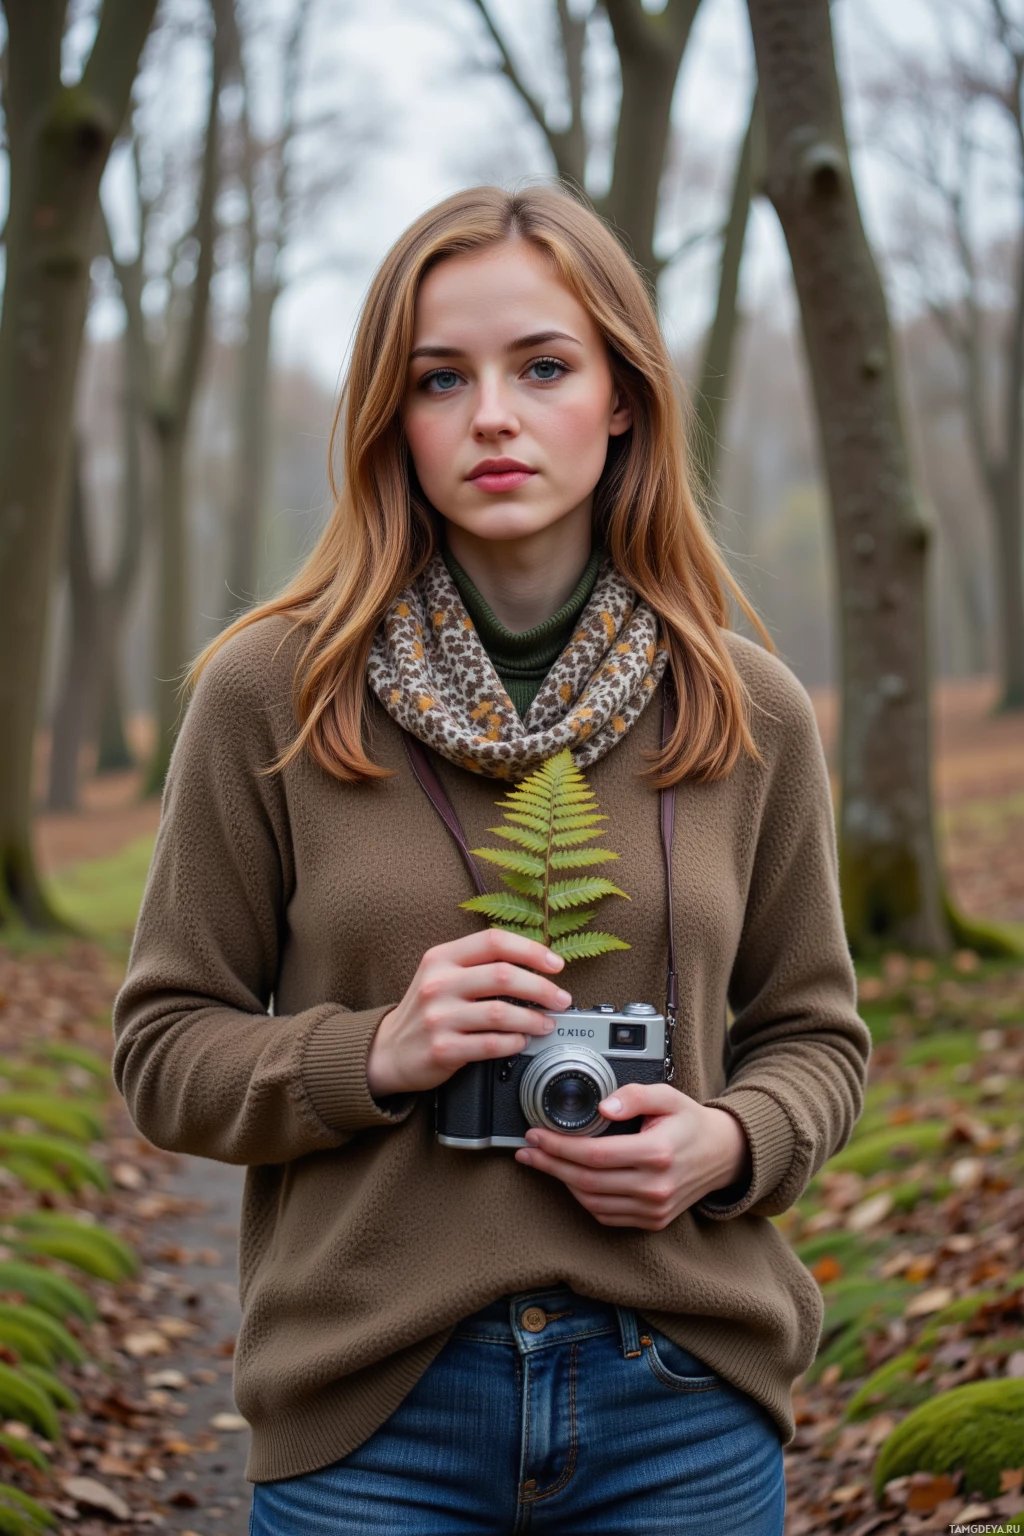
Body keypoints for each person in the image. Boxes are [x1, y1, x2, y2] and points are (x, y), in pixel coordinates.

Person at [112, 183, 870, 1536]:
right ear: (389, 418)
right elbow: (165, 1053)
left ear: (623, 396)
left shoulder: (747, 710)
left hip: (682, 1402)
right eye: (439, 378)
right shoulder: (268, 695)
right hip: (368, 1413)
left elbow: (818, 1037)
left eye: (544, 366)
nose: (494, 417)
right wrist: (376, 1054)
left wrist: (729, 1141)